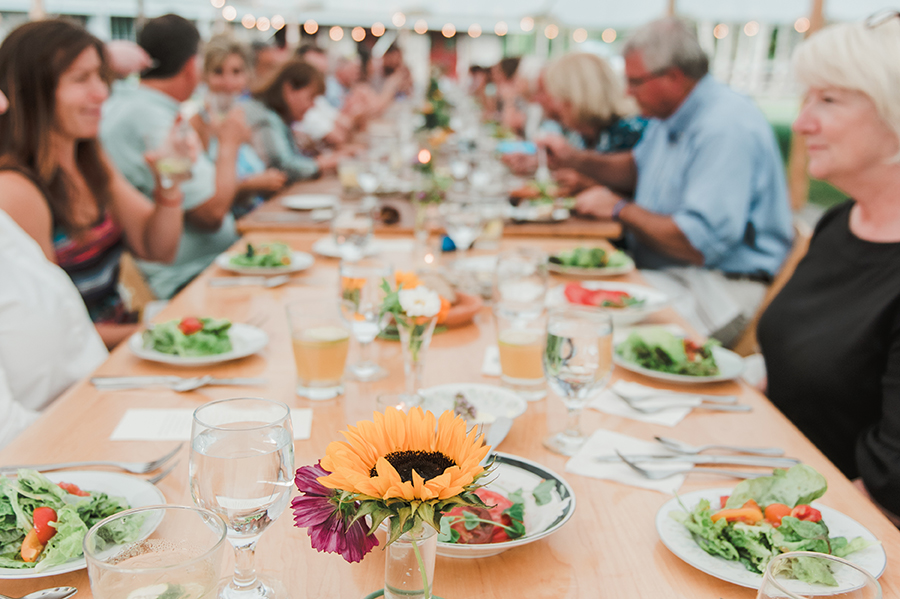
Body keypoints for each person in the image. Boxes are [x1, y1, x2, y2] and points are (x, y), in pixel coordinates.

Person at [542, 18, 793, 344]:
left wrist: (619, 208)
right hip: (675, 276)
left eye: (635, 81)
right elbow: (635, 169)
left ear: (673, 77)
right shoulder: (670, 114)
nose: (627, 92)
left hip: (718, 288)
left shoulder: (724, 126)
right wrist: (574, 158)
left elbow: (697, 243)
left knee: (582, 329)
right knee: (560, 300)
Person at [757, 14, 900, 523]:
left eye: (829, 100)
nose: (801, 123)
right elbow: (793, 369)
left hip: (834, 533)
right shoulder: (840, 222)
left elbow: (888, 487)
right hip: (771, 471)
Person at [0, 19, 186, 348]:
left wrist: (169, 180)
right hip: (89, 368)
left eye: (100, 76)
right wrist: (163, 331)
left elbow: (158, 248)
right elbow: (55, 332)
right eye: (81, 78)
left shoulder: (88, 159)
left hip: (124, 347)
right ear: (32, 91)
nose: (101, 92)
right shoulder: (16, 190)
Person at [102, 14, 247, 300]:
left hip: (202, 271)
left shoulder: (136, 106)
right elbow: (210, 214)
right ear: (193, 66)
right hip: (186, 280)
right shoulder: (151, 119)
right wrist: (229, 145)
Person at [192, 34, 287, 218]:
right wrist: (250, 185)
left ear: (247, 75)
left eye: (236, 72)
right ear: (205, 76)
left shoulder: (244, 117)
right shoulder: (198, 123)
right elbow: (201, 195)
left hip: (257, 216)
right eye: (218, 72)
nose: (228, 82)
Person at [243, 59, 337, 181]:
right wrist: (321, 165)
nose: (313, 105)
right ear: (289, 89)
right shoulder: (265, 117)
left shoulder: (276, 116)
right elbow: (282, 166)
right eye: (311, 97)